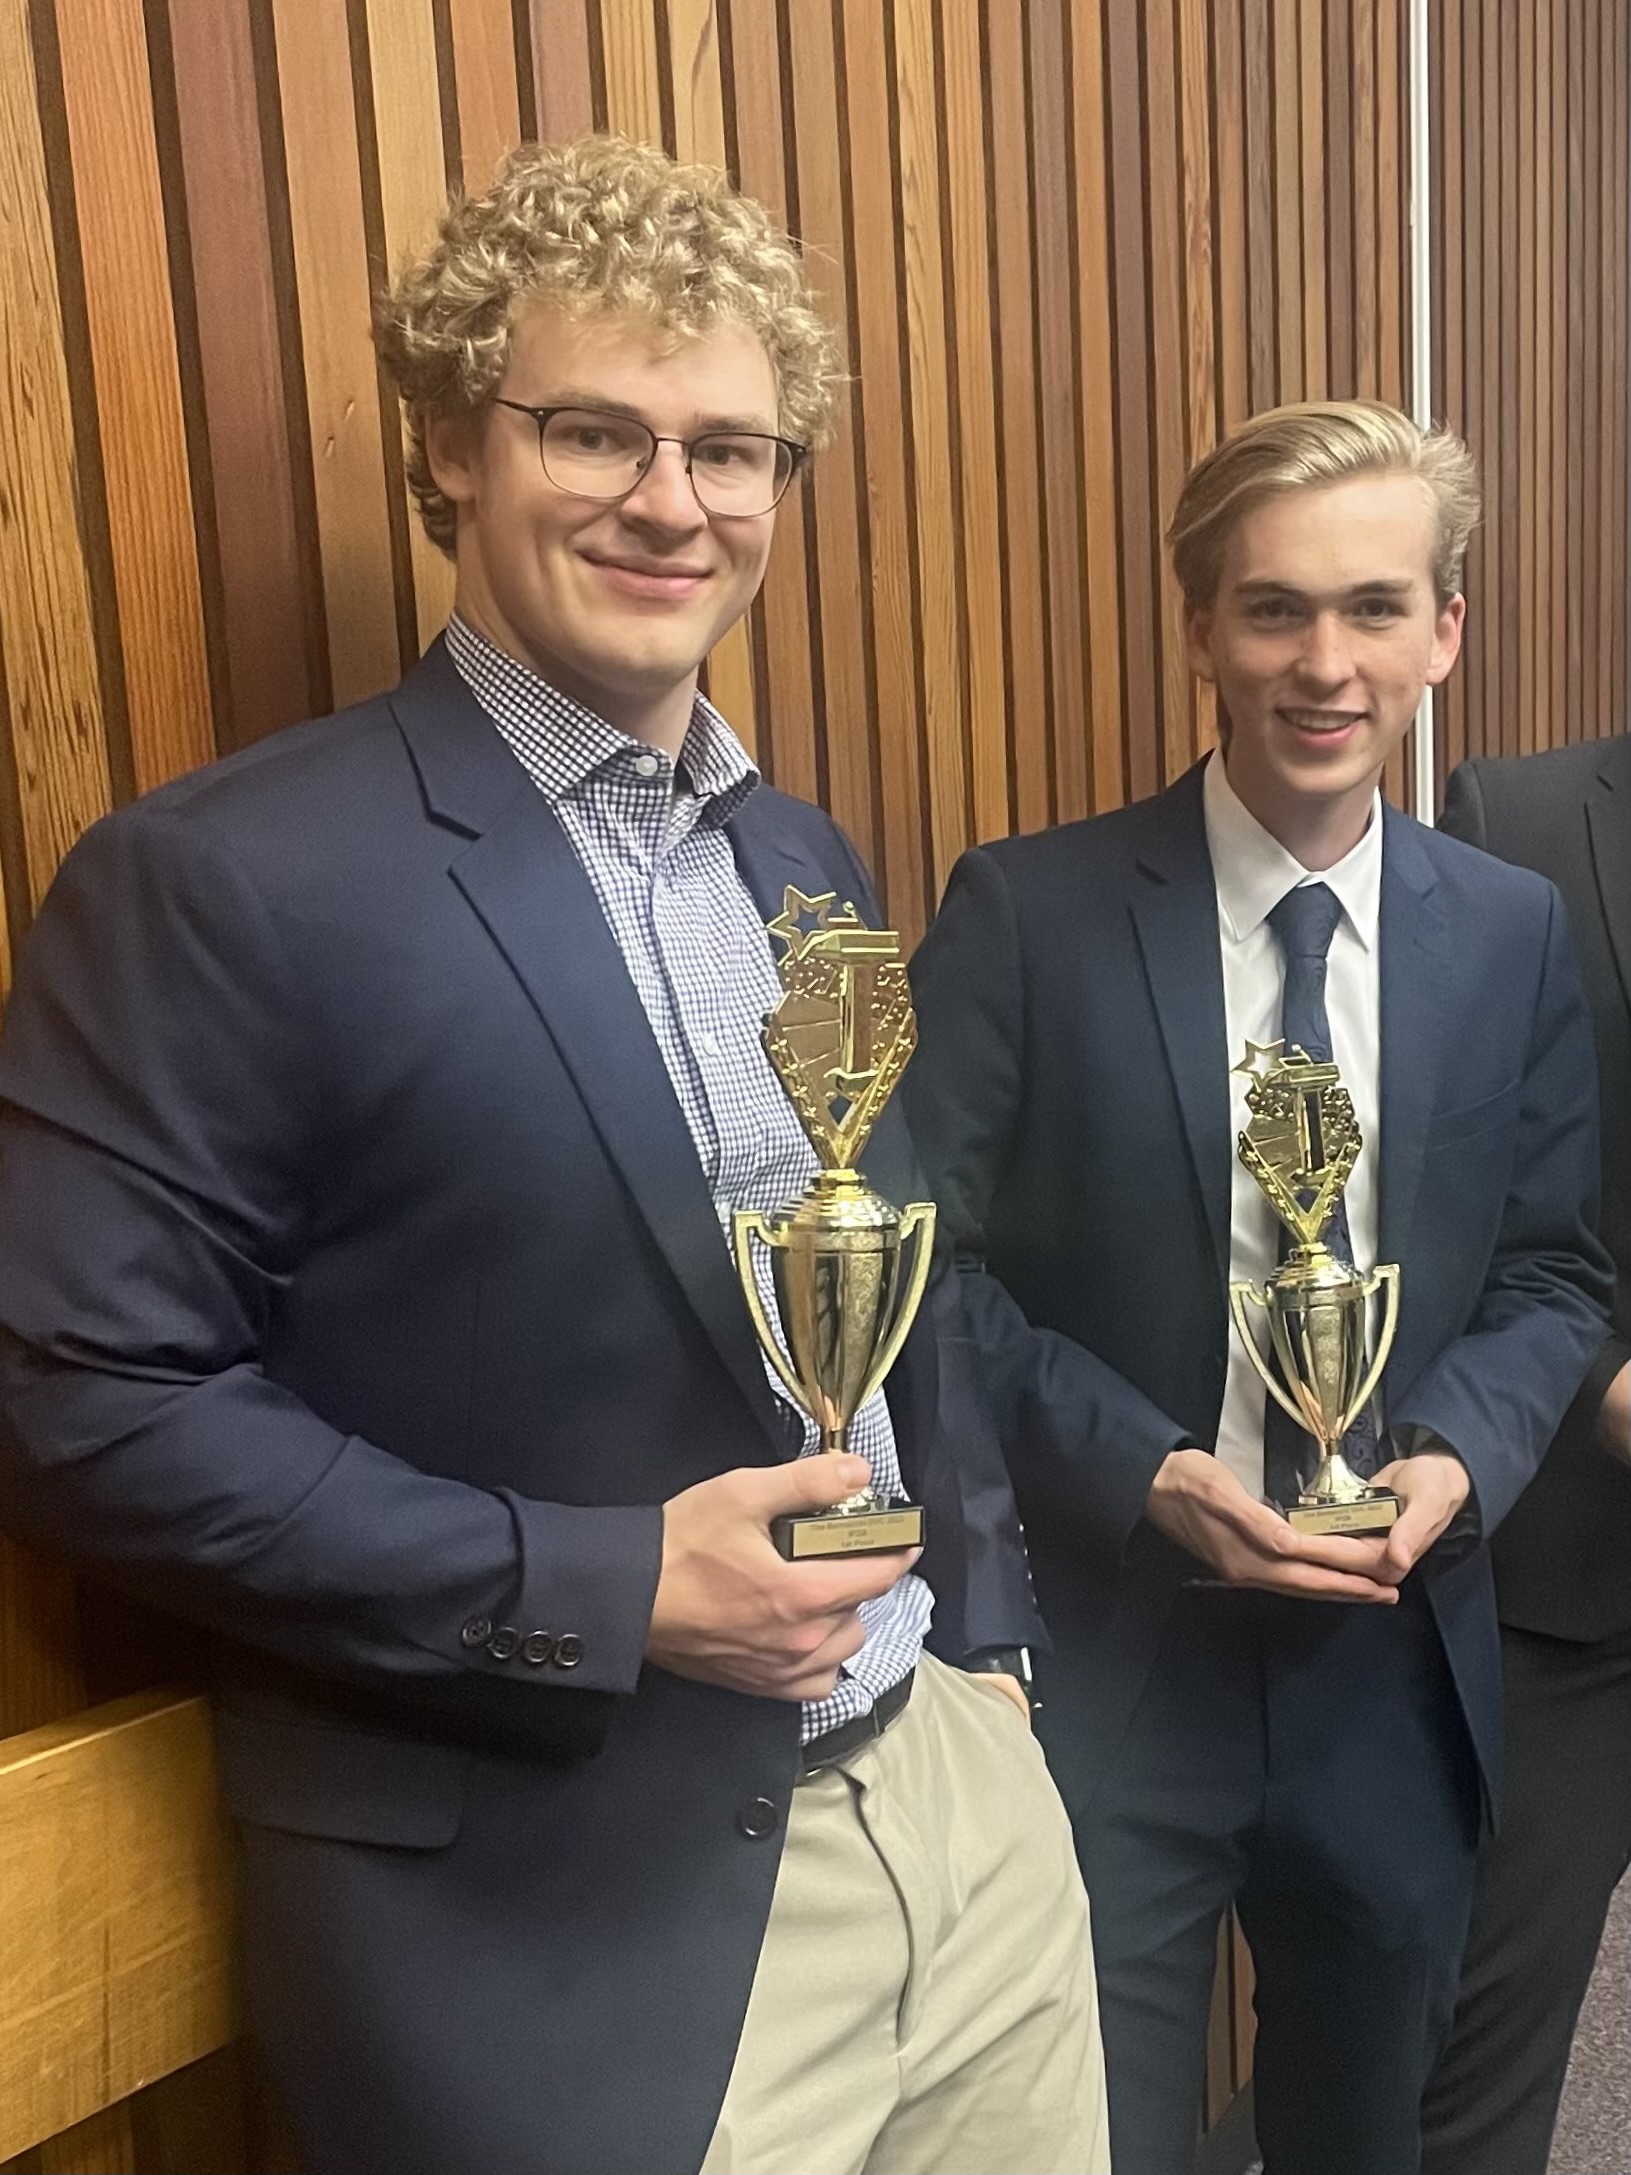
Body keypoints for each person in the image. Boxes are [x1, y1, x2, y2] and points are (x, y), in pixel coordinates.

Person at [0, 138, 1107, 2175]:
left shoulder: (805, 860)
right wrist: (599, 1582)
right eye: (595, 429)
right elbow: (78, 1407)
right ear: (446, 445)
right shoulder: (219, 882)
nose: (672, 500)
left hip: (954, 1825)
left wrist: (989, 1649)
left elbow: (891, 1273)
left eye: (731, 448)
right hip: (566, 1927)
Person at [902, 400, 1612, 2175]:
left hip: (1394, 1654)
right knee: (1104, 2139)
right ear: (1200, 627)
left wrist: (1452, 1460)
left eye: (1376, 609)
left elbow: (1554, 1267)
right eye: (1276, 609)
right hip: (1117, 1652)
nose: (1326, 662)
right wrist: (1141, 1470)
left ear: (1446, 634)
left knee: (1373, 2135)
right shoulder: (1030, 914)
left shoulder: (1507, 927)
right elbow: (929, 1272)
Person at [1418, 730, 1631, 2175]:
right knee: (1478, 2079)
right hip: (1581, 1582)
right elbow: (1451, 1190)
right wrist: (1605, 1382)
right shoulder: (1524, 815)